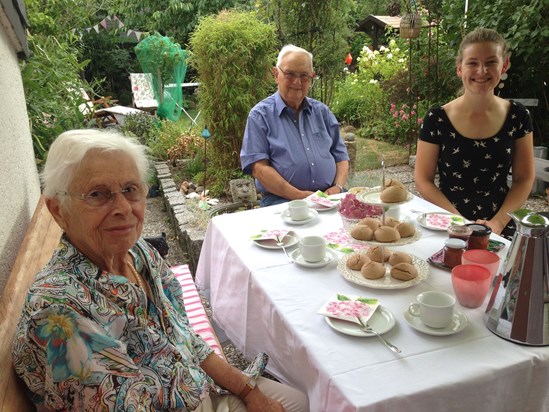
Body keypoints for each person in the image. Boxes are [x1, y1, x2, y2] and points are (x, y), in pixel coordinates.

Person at [13, 129, 309, 412]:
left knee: (300, 401)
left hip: (195, 387)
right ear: (58, 210)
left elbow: (186, 338)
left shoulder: (139, 253)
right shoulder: (60, 310)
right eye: (98, 194)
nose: (123, 208)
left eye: (130, 190)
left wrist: (248, 391)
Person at [414, 28, 535, 236]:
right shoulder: (437, 119)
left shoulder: (518, 116)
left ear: (504, 65)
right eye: (472, 63)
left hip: (500, 227)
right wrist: (458, 222)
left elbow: (524, 179)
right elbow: (423, 179)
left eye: (490, 62)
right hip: (447, 224)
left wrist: (497, 223)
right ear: (460, 68)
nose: (482, 71)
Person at [240, 44, 350, 207]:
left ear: (312, 77)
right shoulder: (260, 116)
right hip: (282, 200)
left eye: (304, 75)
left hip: (330, 197)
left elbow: (341, 157)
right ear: (276, 74)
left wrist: (338, 187)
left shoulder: (322, 112)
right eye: (290, 74)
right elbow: (259, 168)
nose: (297, 82)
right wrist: (299, 196)